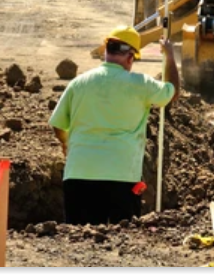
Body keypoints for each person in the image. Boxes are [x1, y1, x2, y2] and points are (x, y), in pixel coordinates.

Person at [49, 26, 180, 226]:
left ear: (106, 51)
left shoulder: (78, 83)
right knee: (121, 246)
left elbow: (58, 124)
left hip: (79, 174)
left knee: (78, 245)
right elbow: (172, 93)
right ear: (130, 57)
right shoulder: (141, 84)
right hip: (122, 177)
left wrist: (66, 144)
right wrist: (169, 56)